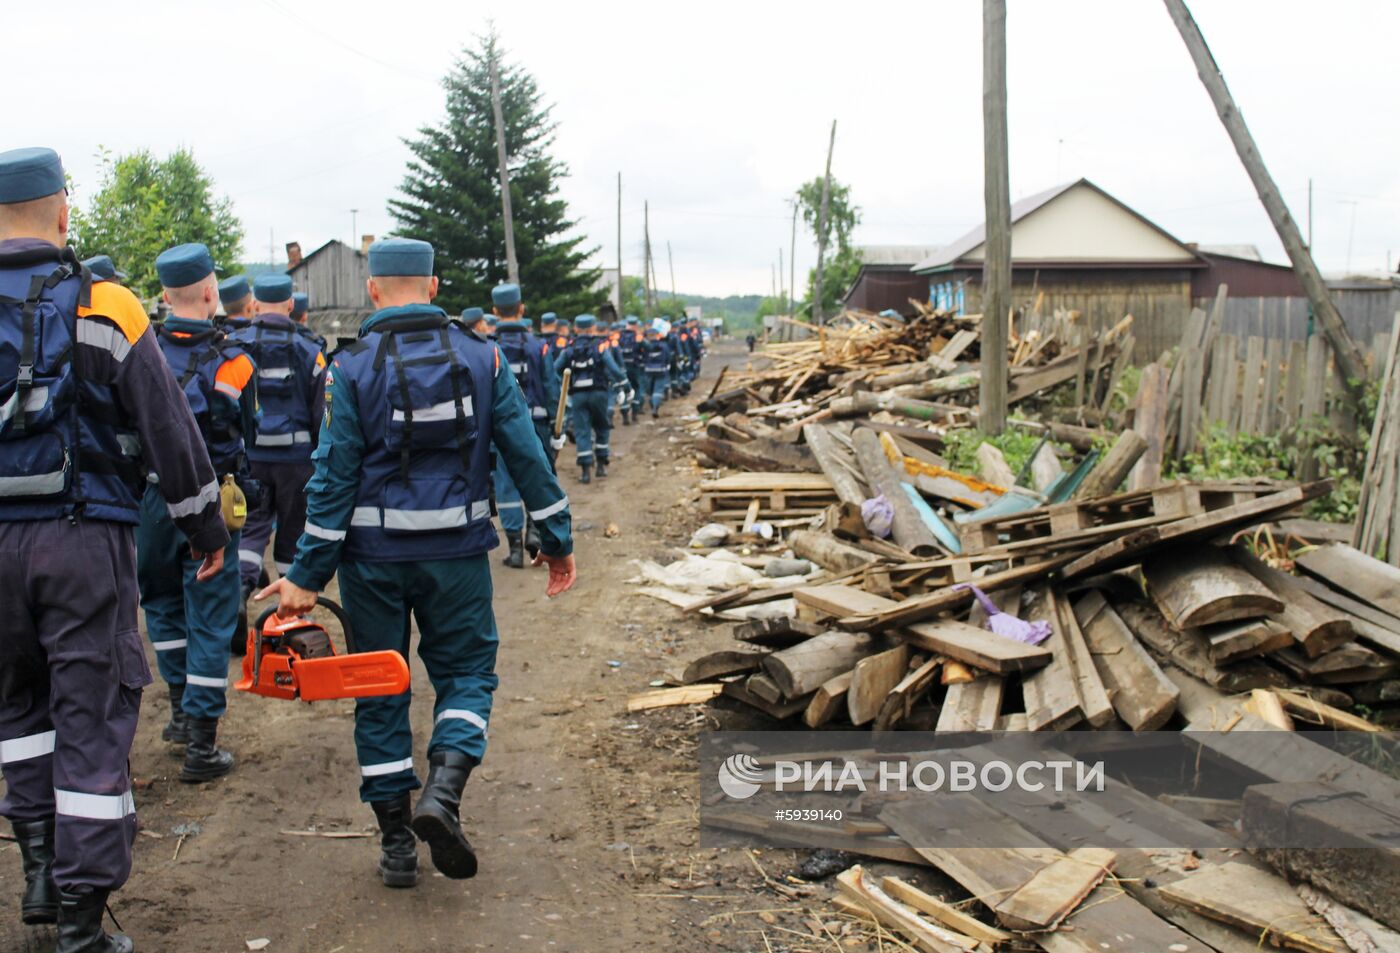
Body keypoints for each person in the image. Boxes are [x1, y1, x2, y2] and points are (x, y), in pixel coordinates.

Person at [255, 238, 576, 888]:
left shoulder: (350, 367)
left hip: (371, 562)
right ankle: (444, 793)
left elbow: (333, 478)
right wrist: (557, 536)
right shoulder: (482, 356)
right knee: (465, 674)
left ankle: (396, 843)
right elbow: (526, 451)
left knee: (378, 687)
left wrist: (307, 577)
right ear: (432, 287)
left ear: (373, 291)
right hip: (456, 554)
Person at [0, 146, 228, 953]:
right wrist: (206, 529)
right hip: (82, 540)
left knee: (19, 710)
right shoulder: (107, 305)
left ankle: (36, 869)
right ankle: (79, 921)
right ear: (63, 213)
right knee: (91, 714)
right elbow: (169, 431)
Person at [139, 242, 258, 785]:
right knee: (210, 614)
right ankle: (202, 746)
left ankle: (180, 712)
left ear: (164, 296)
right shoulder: (233, 362)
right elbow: (244, 438)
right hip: (210, 499)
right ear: (212, 293)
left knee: (161, 605)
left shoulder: (139, 352)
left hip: (148, 500)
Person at [229, 274, 326, 635]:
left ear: (254, 303)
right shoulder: (310, 349)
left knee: (251, 529)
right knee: (292, 532)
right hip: (297, 462)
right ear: (290, 305)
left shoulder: (234, 345)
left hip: (249, 459)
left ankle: (238, 594)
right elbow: (322, 412)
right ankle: (292, 617)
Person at [489, 281, 559, 566]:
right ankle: (535, 531)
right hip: (537, 423)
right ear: (522, 309)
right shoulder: (539, 346)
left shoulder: (487, 348)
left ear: (494, 311)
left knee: (505, 484)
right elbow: (551, 387)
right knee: (537, 476)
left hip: (500, 427)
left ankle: (515, 549)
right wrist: (557, 426)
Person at [553, 314, 625, 483]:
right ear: (593, 328)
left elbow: (555, 369)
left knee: (582, 431)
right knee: (602, 426)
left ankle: (585, 472)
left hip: (577, 395)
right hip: (599, 393)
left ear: (576, 329)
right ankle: (600, 466)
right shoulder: (600, 346)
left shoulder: (569, 348)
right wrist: (624, 384)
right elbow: (613, 368)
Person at [639, 322, 673, 418]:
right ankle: (655, 408)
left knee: (649, 390)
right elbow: (668, 358)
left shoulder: (644, 346)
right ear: (657, 335)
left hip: (648, 371)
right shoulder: (664, 345)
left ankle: (651, 403)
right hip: (661, 370)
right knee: (658, 390)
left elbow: (641, 357)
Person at [621, 315, 644, 422]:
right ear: (635, 325)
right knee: (637, 388)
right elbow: (648, 347)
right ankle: (635, 412)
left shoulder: (619, 336)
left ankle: (625, 413)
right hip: (635, 367)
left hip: (622, 368)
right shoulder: (638, 336)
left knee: (625, 389)